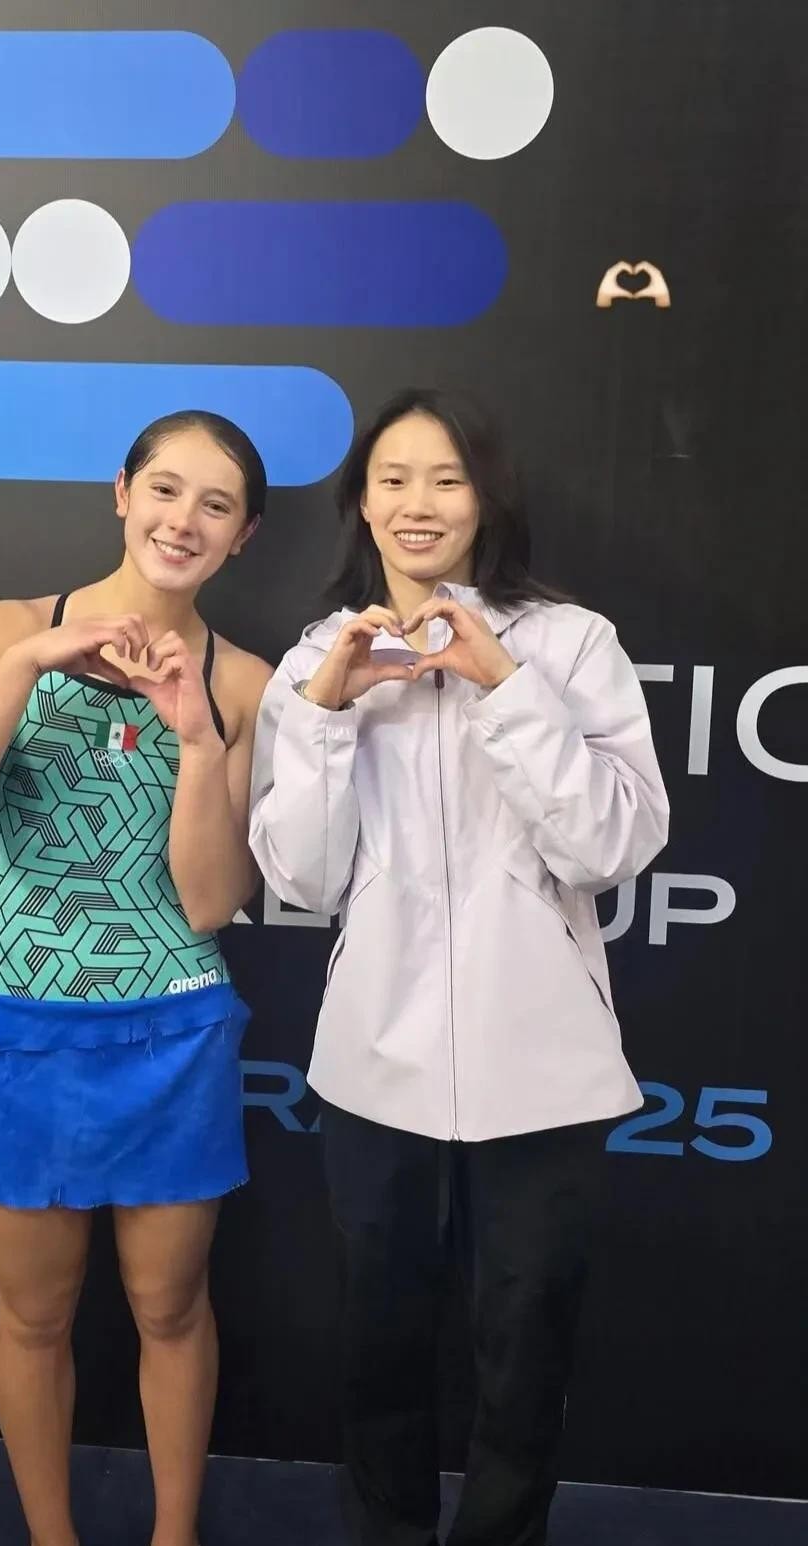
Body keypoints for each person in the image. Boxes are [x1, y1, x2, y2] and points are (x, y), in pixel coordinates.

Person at [249, 389, 669, 1546]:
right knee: (377, 1347)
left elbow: (610, 845)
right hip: (373, 1070)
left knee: (526, 1352)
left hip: (544, 1074)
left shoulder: (569, 643)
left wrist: (506, 689)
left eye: (446, 477)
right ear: (361, 502)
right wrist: (328, 716)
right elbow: (303, 878)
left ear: (487, 497)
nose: (418, 503)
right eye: (393, 478)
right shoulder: (314, 660)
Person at [0, 409, 273, 1546]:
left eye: (216, 504)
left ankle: (173, 1536)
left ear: (244, 535)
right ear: (122, 493)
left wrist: (195, 738)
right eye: (166, 489)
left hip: (175, 1032)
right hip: (24, 1021)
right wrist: (25, 667)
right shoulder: (9, 628)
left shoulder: (243, 680)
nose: (183, 520)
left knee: (171, 1308)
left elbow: (209, 902)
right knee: (34, 1316)